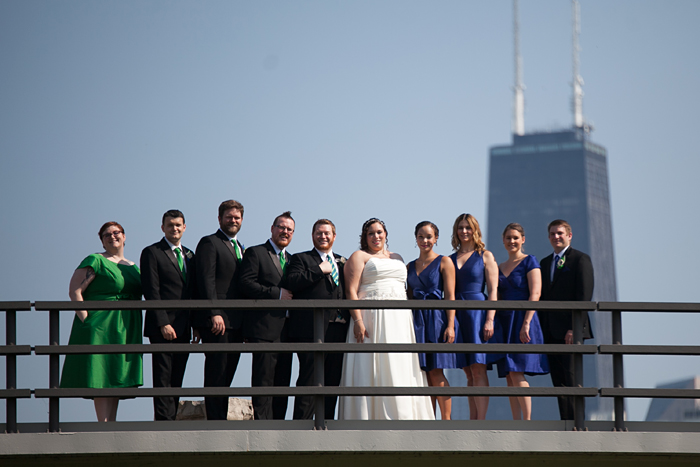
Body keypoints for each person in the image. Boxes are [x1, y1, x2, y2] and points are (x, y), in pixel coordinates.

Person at [339, 218, 434, 420]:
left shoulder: (397, 257)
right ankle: (369, 416)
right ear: (365, 237)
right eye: (371, 233)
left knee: (401, 362)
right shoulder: (359, 256)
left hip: (399, 317)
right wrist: (358, 320)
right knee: (372, 364)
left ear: (386, 234)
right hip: (371, 316)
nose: (376, 236)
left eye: (380, 232)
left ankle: (405, 415)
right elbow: (351, 291)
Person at [60, 222, 142, 422]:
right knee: (101, 372)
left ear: (124, 236)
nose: (112, 236)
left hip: (126, 325)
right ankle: (102, 424)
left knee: (116, 372)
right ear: (102, 240)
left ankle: (110, 424)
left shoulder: (133, 266)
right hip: (101, 324)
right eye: (106, 234)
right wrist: (86, 321)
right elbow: (75, 291)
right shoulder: (95, 260)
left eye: (116, 232)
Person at [285, 218, 346, 420]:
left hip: (338, 329)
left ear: (334, 236)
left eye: (327, 233)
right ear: (312, 236)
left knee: (332, 379)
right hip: (310, 330)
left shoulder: (342, 261)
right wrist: (319, 270)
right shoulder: (300, 259)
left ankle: (327, 423)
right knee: (309, 378)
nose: (323, 236)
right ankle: (300, 424)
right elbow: (291, 282)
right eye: (319, 233)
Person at [240, 211, 295, 420]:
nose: (285, 232)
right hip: (263, 329)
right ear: (272, 229)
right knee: (263, 379)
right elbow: (246, 283)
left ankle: (279, 424)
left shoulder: (291, 259)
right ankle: (263, 425)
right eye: (281, 227)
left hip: (287, 331)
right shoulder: (256, 253)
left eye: (289, 229)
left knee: (283, 380)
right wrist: (277, 293)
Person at [194, 199, 246, 421]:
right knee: (216, 372)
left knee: (228, 372)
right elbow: (206, 280)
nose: (233, 221)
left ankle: (220, 419)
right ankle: (215, 422)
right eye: (229, 217)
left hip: (236, 322)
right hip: (218, 320)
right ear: (219, 219)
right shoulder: (210, 243)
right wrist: (214, 311)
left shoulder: (241, 247)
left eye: (237, 217)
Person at [140, 210, 195, 421]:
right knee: (163, 376)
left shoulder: (190, 255)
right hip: (162, 326)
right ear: (162, 227)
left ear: (184, 227)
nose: (175, 228)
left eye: (178, 225)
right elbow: (151, 290)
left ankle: (172, 420)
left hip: (184, 325)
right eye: (170, 225)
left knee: (177, 376)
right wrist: (163, 322)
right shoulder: (152, 252)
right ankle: (163, 422)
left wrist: (195, 325)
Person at [539, 219, 594, 420]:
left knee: (572, 378)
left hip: (572, 331)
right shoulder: (545, 263)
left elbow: (584, 296)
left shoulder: (580, 259)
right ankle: (566, 421)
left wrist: (575, 328)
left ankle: (577, 422)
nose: (556, 237)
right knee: (558, 381)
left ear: (569, 236)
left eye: (560, 233)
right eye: (552, 234)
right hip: (551, 330)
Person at [496, 223, 549, 420]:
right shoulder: (499, 267)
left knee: (517, 371)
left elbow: (535, 293)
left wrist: (526, 322)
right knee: (509, 375)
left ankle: (527, 421)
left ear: (523, 240)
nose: (512, 241)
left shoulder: (530, 261)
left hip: (523, 320)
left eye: (515, 238)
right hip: (505, 322)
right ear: (503, 241)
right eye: (508, 238)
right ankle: (516, 421)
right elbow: (497, 297)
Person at [449, 213, 498, 420]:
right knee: (467, 372)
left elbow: (494, 291)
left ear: (475, 230)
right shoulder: (449, 259)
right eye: (460, 227)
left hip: (477, 314)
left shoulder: (485, 255)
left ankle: (482, 420)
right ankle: (473, 418)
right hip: (458, 316)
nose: (464, 231)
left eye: (468, 227)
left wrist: (489, 319)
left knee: (479, 369)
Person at [407, 221, 457, 420]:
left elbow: (450, 295)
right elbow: (408, 298)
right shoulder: (409, 266)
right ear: (416, 238)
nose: (425, 240)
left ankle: (446, 421)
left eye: (429, 236)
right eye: (421, 236)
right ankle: (430, 419)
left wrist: (451, 325)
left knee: (436, 371)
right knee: (424, 375)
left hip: (437, 319)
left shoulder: (444, 261)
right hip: (416, 321)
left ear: (436, 239)